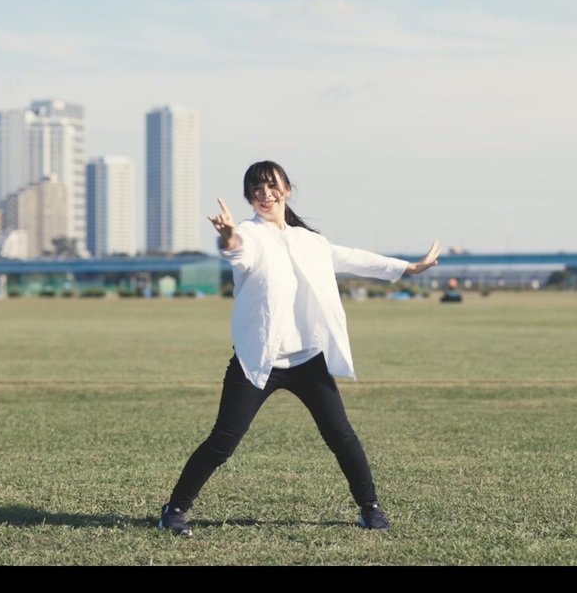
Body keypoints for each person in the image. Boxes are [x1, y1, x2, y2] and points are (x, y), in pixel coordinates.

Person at [158, 160, 440, 537]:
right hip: (258, 360)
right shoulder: (249, 234)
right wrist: (227, 236)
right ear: (249, 198)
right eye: (256, 189)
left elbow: (354, 258)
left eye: (272, 186)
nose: (265, 194)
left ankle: (370, 508)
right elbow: (236, 251)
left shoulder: (310, 241)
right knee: (223, 443)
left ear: (287, 190)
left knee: (342, 436)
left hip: (307, 359)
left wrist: (408, 268)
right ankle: (174, 510)